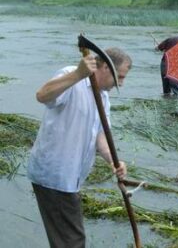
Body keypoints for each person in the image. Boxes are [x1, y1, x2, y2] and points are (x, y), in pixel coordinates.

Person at [27, 47, 132, 248]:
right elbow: (42, 96)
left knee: (66, 240)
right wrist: (78, 74)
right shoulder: (71, 76)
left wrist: (113, 161)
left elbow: (100, 135)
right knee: (72, 242)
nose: (121, 84)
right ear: (104, 68)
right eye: (119, 77)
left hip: (71, 176)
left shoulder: (103, 97)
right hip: (55, 176)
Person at [155, 26, 178, 96]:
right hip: (175, 67)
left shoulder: (170, 39)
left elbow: (157, 48)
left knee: (166, 92)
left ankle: (166, 105)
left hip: (164, 65)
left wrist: (158, 47)